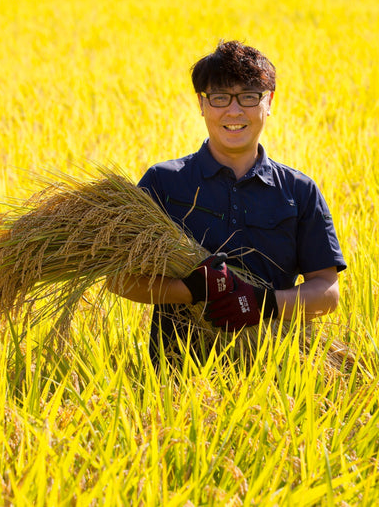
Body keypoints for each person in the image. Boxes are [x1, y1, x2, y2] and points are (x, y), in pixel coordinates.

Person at [110, 40, 346, 368]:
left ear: (269, 102)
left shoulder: (298, 191)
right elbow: (120, 279)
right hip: (175, 376)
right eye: (220, 97)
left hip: (276, 374)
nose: (234, 111)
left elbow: (327, 292)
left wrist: (262, 304)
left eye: (249, 97)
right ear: (202, 104)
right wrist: (191, 290)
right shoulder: (163, 183)